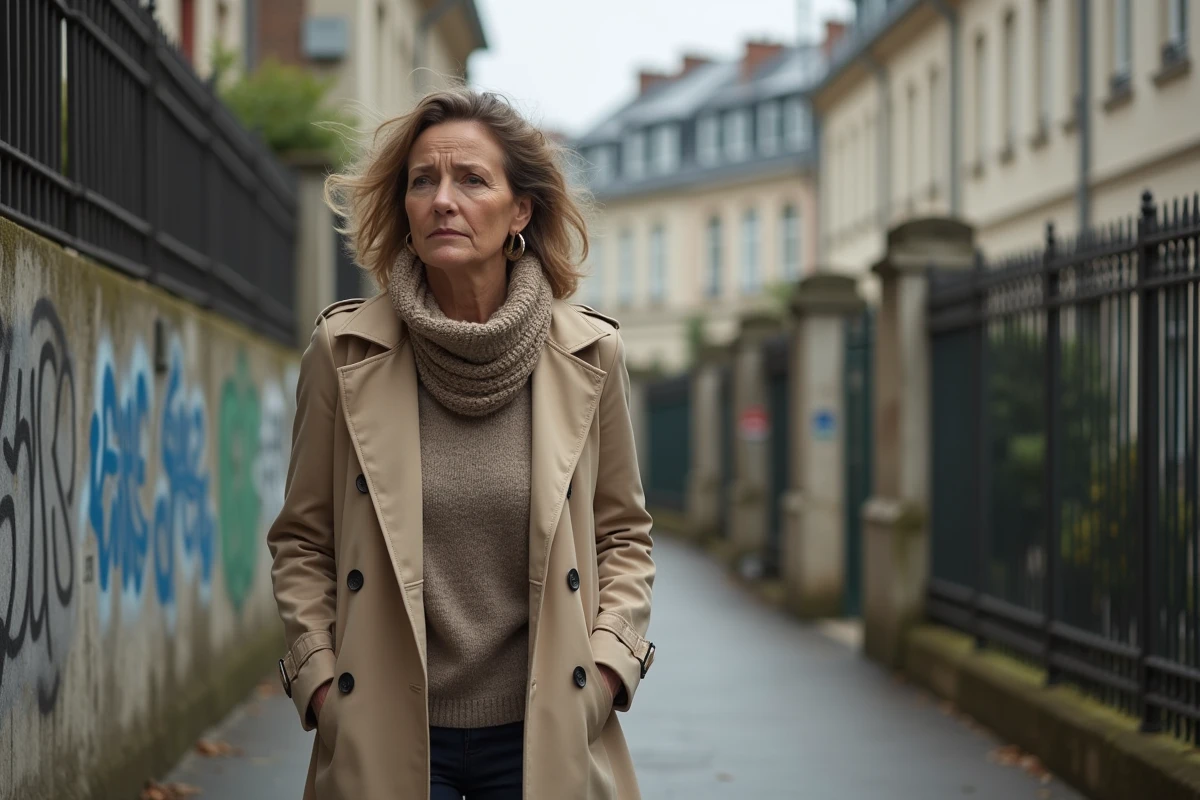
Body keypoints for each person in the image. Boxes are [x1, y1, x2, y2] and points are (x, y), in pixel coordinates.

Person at [266, 86, 656, 800]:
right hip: (388, 733)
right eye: (423, 181)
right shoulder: (343, 351)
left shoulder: (590, 357)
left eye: (472, 179)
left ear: (520, 211)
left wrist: (605, 672)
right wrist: (323, 687)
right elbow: (302, 541)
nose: (443, 199)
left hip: (547, 734)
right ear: (406, 209)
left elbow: (623, 534)